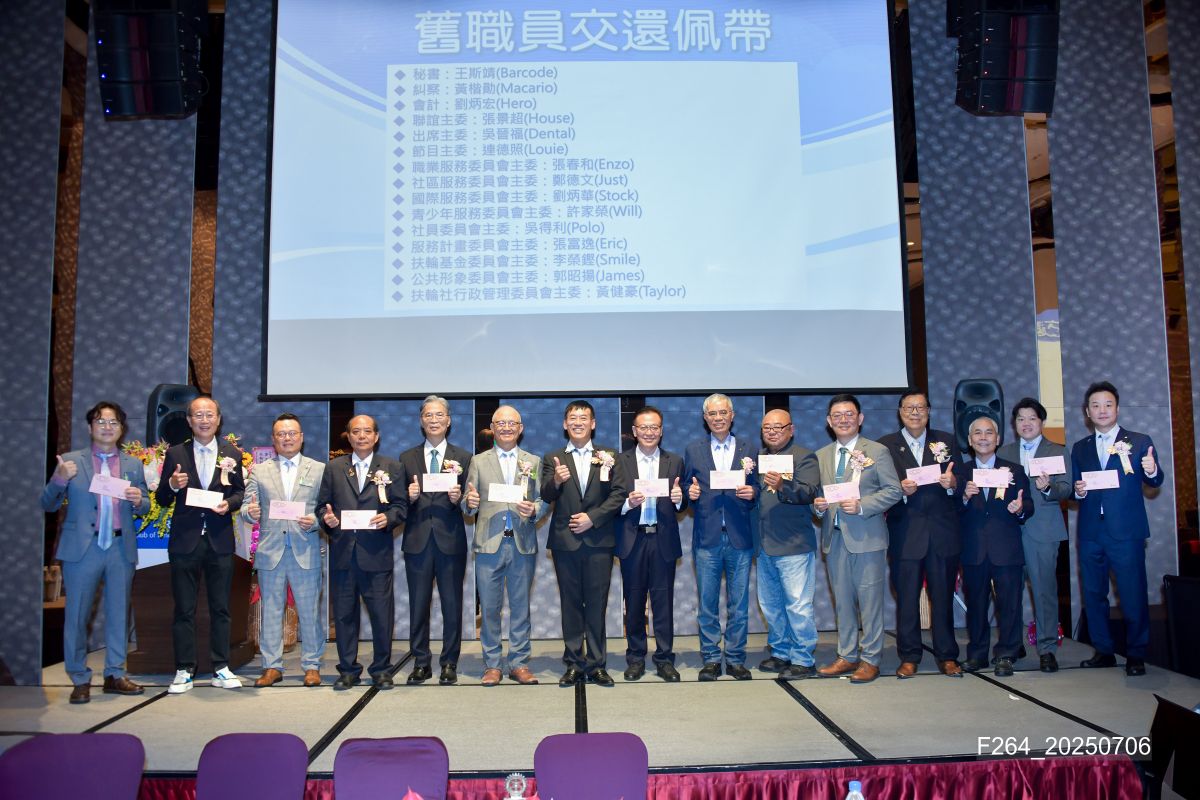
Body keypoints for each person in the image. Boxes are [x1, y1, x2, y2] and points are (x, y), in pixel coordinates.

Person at [42, 401, 150, 704]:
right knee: (76, 615)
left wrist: (138, 499)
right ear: (90, 427)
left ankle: (115, 673)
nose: (107, 427)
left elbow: (145, 506)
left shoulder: (132, 464)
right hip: (83, 548)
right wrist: (59, 479)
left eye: (113, 422)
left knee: (119, 613)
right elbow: (48, 503)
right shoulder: (71, 462)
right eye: (101, 421)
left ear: (122, 429)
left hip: (119, 547)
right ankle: (79, 677)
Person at [1070, 381, 1163, 677]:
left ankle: (1136, 654)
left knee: (1132, 594)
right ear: (1087, 412)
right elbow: (1074, 489)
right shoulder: (1080, 448)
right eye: (1095, 405)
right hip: (1090, 533)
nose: (1102, 410)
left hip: (1126, 533)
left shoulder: (1139, 441)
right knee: (1093, 594)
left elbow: (1155, 480)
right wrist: (1078, 491)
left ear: (1117, 408)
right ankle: (1104, 650)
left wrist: (1151, 469)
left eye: (1108, 404)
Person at [155, 395, 246, 694]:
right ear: (189, 420)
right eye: (198, 415)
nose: (204, 420)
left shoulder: (232, 453)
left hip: (219, 540)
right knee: (184, 608)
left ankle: (221, 666)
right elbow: (162, 498)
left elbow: (239, 493)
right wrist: (172, 485)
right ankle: (184, 669)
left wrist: (229, 504)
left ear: (218, 419)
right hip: (186, 540)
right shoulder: (175, 453)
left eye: (209, 415)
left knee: (221, 608)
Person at [540, 400, 630, 687]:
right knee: (570, 605)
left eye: (584, 418)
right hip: (564, 542)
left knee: (596, 604)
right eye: (572, 418)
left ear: (593, 424)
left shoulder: (609, 456)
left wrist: (593, 518)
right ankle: (573, 663)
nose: (578, 422)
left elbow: (619, 494)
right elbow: (545, 494)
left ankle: (596, 664)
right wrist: (556, 481)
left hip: (599, 540)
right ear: (565, 424)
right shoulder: (553, 457)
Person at [814, 394, 902, 684]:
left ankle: (871, 659)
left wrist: (863, 505)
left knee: (870, 602)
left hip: (867, 539)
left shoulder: (877, 451)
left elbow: (893, 490)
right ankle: (847, 655)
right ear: (829, 421)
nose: (843, 420)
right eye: (837, 415)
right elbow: (820, 496)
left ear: (860, 418)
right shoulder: (821, 455)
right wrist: (818, 507)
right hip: (835, 538)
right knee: (843, 602)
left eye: (849, 414)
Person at [316, 415, 406, 689]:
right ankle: (348, 669)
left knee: (381, 615)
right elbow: (322, 506)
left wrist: (388, 518)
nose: (362, 436)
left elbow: (401, 506)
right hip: (343, 552)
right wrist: (327, 519)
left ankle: (381, 669)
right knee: (344, 615)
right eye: (356, 431)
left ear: (376, 436)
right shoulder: (334, 467)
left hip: (376, 554)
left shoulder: (392, 467)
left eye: (367, 431)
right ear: (349, 436)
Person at [878, 390, 964, 679]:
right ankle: (909, 655)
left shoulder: (947, 441)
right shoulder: (885, 446)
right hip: (905, 533)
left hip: (942, 533)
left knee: (943, 597)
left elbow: (963, 480)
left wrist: (953, 483)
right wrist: (899, 491)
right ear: (900, 411)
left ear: (929, 411)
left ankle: (947, 655)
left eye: (920, 407)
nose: (915, 412)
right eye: (909, 407)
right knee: (906, 599)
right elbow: (878, 488)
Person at [462, 405, 547, 685]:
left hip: (522, 542)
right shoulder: (478, 461)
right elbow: (467, 501)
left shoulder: (533, 461)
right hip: (489, 544)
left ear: (520, 428)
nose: (507, 427)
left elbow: (542, 499)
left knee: (521, 607)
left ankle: (519, 663)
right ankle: (492, 665)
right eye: (501, 423)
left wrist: (535, 510)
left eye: (512, 423)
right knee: (489, 608)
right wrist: (469, 503)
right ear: (492, 428)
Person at [241, 413, 326, 688]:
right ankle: (271, 666)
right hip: (271, 551)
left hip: (305, 549)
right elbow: (246, 507)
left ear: (301, 437)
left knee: (310, 612)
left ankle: (311, 665)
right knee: (271, 611)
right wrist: (250, 512)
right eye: (281, 434)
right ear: (273, 439)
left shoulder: (318, 469)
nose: (287, 438)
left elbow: (326, 509)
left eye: (292, 433)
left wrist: (316, 521)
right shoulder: (259, 470)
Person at [397, 395, 471, 686]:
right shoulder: (406, 458)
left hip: (450, 541)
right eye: (428, 415)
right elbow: (397, 503)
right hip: (417, 541)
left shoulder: (463, 457)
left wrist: (459, 498)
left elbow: (471, 503)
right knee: (419, 604)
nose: (434, 420)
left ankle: (449, 662)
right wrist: (409, 497)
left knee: (452, 604)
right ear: (421, 421)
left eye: (439, 415)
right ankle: (421, 662)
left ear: (448, 420)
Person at [683, 393, 758, 681]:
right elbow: (688, 488)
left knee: (739, 604)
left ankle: (736, 658)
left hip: (740, 536)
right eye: (712, 414)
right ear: (705, 418)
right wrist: (690, 494)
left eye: (723, 413)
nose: (718, 418)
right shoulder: (694, 450)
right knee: (707, 604)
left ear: (732, 415)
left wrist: (753, 492)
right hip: (707, 537)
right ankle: (712, 659)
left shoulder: (749, 448)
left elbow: (758, 488)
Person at [953, 415, 1033, 676]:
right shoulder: (960, 473)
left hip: (1006, 549)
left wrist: (1019, 508)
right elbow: (950, 510)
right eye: (978, 433)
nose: (983, 437)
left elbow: (1028, 505)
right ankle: (977, 654)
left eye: (989, 433)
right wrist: (964, 497)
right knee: (976, 605)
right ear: (969, 440)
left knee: (1009, 604)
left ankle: (1007, 653)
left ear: (998, 439)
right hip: (973, 549)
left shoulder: (1014, 470)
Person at [998, 397, 1072, 673]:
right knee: (1009, 591)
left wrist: (1048, 487)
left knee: (1044, 591)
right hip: (1008, 531)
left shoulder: (1057, 451)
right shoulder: (1004, 452)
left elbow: (1066, 488)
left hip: (1043, 530)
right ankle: (1013, 644)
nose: (1026, 423)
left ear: (1041, 422)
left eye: (1032, 418)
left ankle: (1047, 648)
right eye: (1021, 419)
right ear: (1014, 424)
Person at [616, 406, 686, 682]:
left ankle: (665, 659)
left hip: (662, 539)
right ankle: (635, 658)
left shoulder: (674, 461)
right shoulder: (620, 462)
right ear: (634, 431)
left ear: (661, 431)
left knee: (663, 602)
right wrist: (627, 503)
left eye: (654, 427)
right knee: (633, 602)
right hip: (632, 539)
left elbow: (682, 501)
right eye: (643, 427)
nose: (649, 432)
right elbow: (610, 501)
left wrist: (680, 499)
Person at [752, 408, 821, 680]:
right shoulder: (758, 459)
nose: (772, 432)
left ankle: (803, 658)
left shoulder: (804, 456)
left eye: (778, 427)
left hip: (794, 544)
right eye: (767, 428)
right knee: (771, 605)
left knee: (798, 605)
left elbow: (810, 492)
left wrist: (783, 485)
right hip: (764, 544)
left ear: (791, 430)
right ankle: (780, 652)